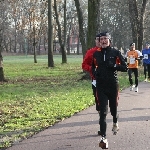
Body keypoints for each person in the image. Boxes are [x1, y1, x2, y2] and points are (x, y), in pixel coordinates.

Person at [91, 32, 127, 148]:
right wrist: (95, 72)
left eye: (105, 38)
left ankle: (115, 122)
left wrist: (115, 66)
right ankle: (104, 138)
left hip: (113, 85)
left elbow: (125, 67)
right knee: (103, 112)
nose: (103, 41)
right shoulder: (96, 54)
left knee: (113, 110)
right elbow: (93, 66)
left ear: (109, 40)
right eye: (101, 39)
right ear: (99, 41)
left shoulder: (115, 52)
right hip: (101, 86)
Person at [82, 33, 101, 135]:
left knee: (110, 104)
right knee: (99, 103)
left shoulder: (110, 51)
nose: (100, 41)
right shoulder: (91, 52)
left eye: (102, 39)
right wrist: (92, 69)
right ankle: (102, 124)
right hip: (96, 81)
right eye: (98, 39)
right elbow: (84, 64)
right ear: (95, 41)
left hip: (109, 81)